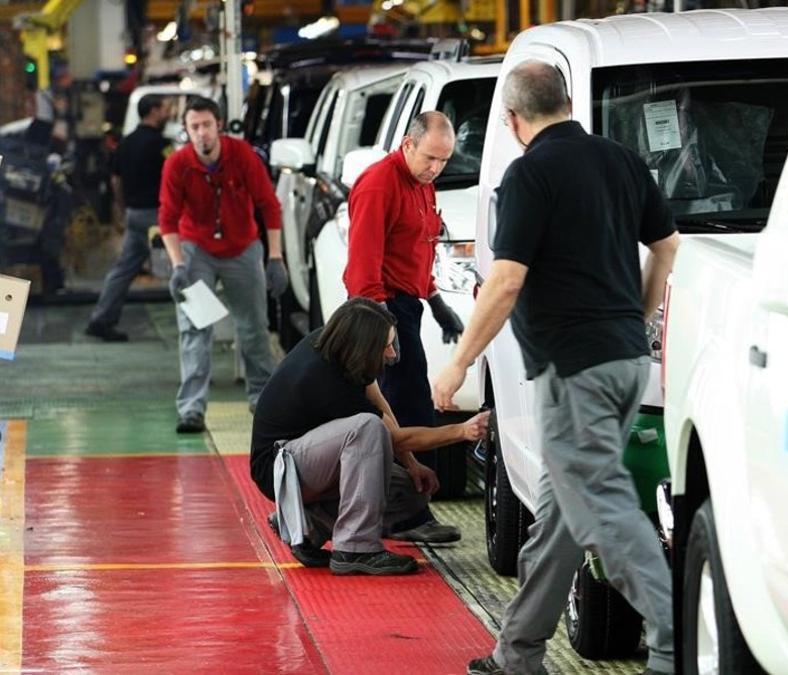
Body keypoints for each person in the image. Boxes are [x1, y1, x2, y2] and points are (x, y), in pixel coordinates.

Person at [432, 61, 681, 675]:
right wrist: (631, 317)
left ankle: (678, 640)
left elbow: (506, 281)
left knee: (601, 507)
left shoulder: (529, 174)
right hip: (624, 361)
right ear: (566, 102)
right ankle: (517, 652)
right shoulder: (621, 159)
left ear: (513, 121)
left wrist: (458, 363)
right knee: (562, 513)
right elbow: (668, 246)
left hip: (576, 371)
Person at [251, 298, 487, 574]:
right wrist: (461, 431)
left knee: (409, 493)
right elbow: (391, 437)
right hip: (280, 468)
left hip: (304, 458)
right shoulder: (322, 379)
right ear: (364, 346)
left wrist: (411, 464)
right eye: (384, 346)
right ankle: (355, 549)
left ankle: (304, 524)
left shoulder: (338, 346)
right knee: (367, 429)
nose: (389, 353)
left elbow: (379, 403)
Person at [159, 97, 288, 433]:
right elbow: (168, 220)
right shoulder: (178, 165)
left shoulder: (241, 155)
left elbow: (269, 206)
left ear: (218, 125)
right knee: (195, 328)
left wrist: (275, 257)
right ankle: (191, 409)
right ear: (187, 131)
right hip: (195, 249)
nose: (201, 133)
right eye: (194, 127)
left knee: (253, 326)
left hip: (242, 247)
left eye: (206, 125)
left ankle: (263, 398)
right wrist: (177, 266)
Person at [344, 111, 465, 436]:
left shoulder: (423, 183)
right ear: (408, 144)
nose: (436, 168)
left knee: (408, 401)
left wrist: (437, 301)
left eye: (444, 160)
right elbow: (362, 265)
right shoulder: (379, 185)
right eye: (430, 158)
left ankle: (411, 479)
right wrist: (382, 329)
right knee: (404, 406)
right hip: (382, 309)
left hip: (407, 306)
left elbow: (417, 250)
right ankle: (406, 482)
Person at [85, 95, 172, 342]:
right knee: (181, 266)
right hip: (157, 215)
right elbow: (176, 178)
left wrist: (122, 211)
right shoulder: (162, 144)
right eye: (165, 109)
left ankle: (100, 319)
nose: (167, 114)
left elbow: (116, 181)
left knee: (124, 269)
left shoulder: (125, 142)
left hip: (134, 213)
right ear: (154, 112)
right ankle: (200, 323)